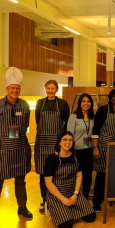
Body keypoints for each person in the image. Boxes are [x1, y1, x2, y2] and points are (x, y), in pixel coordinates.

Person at [44, 131, 96, 228]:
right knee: (67, 225)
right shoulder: (52, 159)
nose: (68, 142)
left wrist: (76, 194)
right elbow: (48, 182)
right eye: (65, 140)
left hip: (73, 193)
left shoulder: (76, 157)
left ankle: (68, 211)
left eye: (70, 140)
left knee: (91, 217)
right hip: (57, 195)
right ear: (59, 142)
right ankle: (51, 207)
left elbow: (79, 176)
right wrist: (63, 199)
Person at [0, 67, 32, 218]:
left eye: (17, 88)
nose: (15, 90)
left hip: (19, 148)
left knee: (20, 181)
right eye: (12, 88)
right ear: (7, 88)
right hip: (2, 150)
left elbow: (25, 126)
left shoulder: (25, 105)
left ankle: (22, 207)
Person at [35, 79, 70, 212]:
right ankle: (44, 201)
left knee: (56, 173)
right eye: (48, 88)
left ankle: (56, 200)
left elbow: (66, 123)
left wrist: (63, 142)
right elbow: (37, 121)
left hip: (57, 143)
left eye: (52, 88)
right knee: (43, 174)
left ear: (56, 90)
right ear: (45, 89)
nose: (50, 91)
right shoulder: (39, 103)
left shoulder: (62, 103)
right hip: (42, 143)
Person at [92, 89, 115, 212]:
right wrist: (96, 147)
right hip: (103, 146)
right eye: (114, 96)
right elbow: (95, 131)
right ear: (110, 98)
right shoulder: (102, 110)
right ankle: (97, 202)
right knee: (102, 174)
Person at [67, 93, 94, 199]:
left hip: (88, 150)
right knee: (76, 176)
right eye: (83, 101)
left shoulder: (92, 117)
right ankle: (74, 198)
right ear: (80, 103)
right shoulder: (74, 117)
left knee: (88, 176)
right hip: (76, 151)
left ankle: (85, 198)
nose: (86, 103)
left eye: (88, 101)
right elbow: (69, 135)